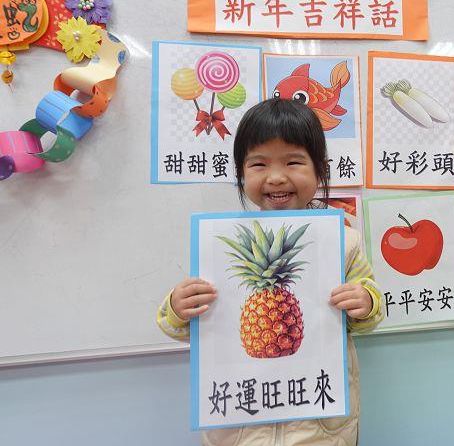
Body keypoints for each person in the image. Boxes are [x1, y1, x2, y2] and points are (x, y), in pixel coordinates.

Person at [156, 98, 384, 446]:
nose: (276, 177)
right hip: (240, 429)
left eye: (293, 161)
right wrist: (177, 307)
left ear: (320, 170)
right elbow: (194, 327)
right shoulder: (222, 245)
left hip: (320, 430)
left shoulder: (343, 241)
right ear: (241, 173)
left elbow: (370, 315)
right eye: (259, 164)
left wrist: (366, 302)